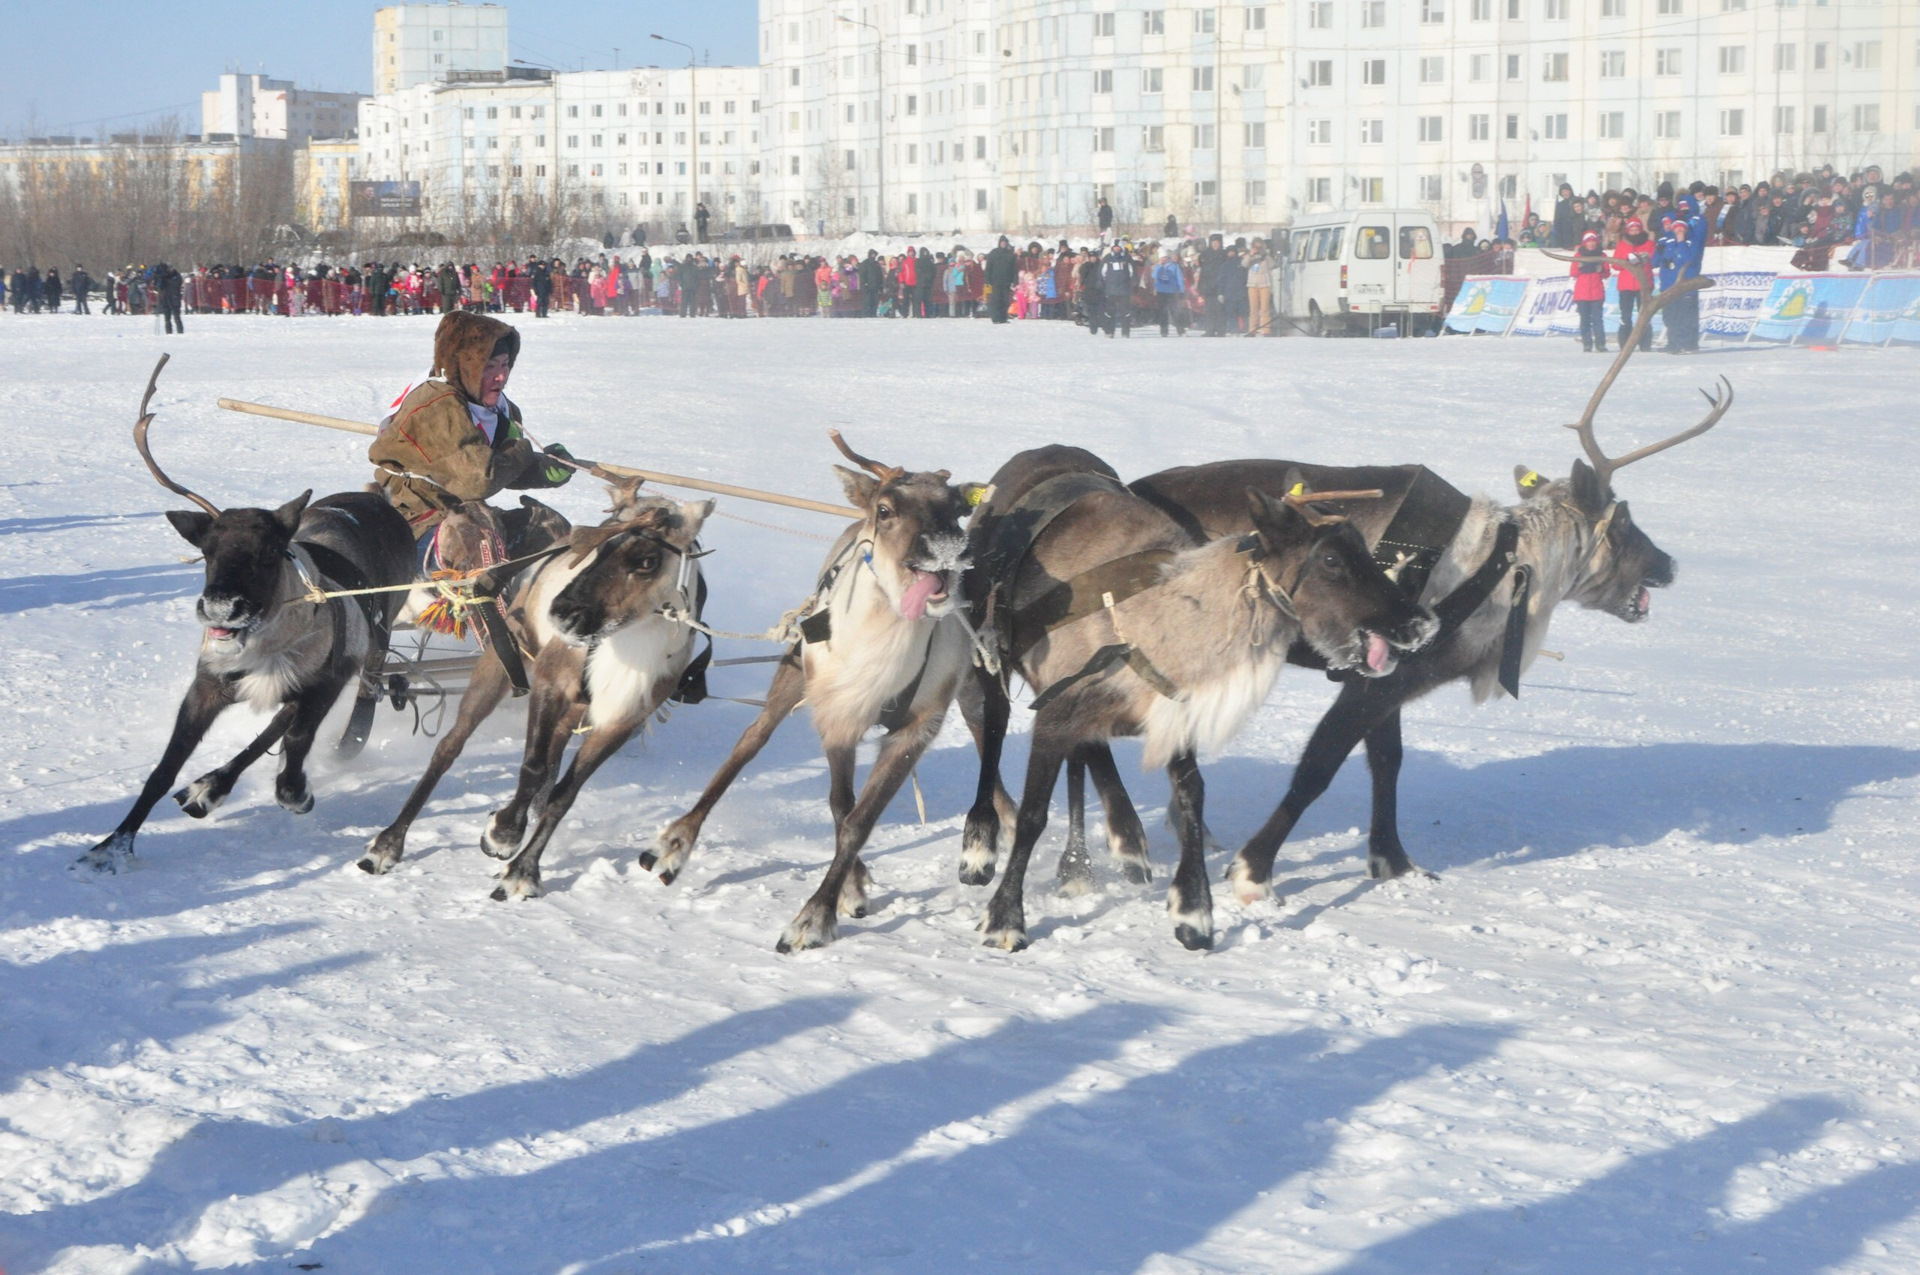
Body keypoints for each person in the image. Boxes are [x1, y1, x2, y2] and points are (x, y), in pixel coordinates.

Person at [1655, 220, 1699, 354]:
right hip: (1668, 286)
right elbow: (1655, 262)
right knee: (1669, 316)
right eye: (1677, 229)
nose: (1679, 232)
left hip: (1683, 286)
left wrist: (1681, 242)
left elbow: (1688, 260)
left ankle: (1684, 344)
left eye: (1681, 229)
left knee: (1683, 317)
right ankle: (1672, 343)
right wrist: (1658, 251)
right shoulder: (1667, 243)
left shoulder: (1690, 243)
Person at [1612, 217, 1654, 350]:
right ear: (1628, 231)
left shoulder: (1649, 243)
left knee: (1645, 316)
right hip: (1626, 286)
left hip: (1644, 284)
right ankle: (1625, 344)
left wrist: (1641, 258)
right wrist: (1626, 261)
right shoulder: (1622, 245)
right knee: (1626, 316)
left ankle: (1645, 345)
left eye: (1637, 229)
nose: (1635, 232)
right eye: (1632, 229)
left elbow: (1652, 258)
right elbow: (1615, 265)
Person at [1569, 231, 1611, 353]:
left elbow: (1607, 273)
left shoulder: (1602, 255)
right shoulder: (1578, 255)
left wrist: (1601, 270)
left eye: (1593, 241)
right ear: (1585, 243)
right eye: (1589, 242)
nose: (1591, 244)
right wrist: (1579, 267)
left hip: (1597, 293)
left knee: (1598, 320)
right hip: (1582, 293)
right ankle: (1587, 344)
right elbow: (1573, 273)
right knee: (1585, 320)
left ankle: (1600, 344)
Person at [1150, 247, 1188, 336]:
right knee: (1162, 312)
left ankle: (1181, 330)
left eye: (1165, 258)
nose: (1164, 259)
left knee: (1175, 311)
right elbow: (1154, 276)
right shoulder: (1157, 267)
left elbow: (1179, 279)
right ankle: (1164, 331)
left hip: (1172, 292)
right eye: (1162, 258)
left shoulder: (1174, 266)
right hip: (1161, 292)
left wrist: (1182, 290)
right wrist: (1159, 266)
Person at [983, 235, 1018, 324]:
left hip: (1006, 282)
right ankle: (996, 318)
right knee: (996, 300)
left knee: (1005, 301)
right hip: (995, 281)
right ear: (999, 243)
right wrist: (987, 280)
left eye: (1005, 242)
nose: (1003, 244)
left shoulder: (1010, 254)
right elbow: (988, 267)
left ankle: (1003, 318)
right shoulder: (993, 253)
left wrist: (1015, 280)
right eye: (1002, 242)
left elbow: (1014, 269)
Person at [1244, 240, 1273, 337]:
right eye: (1255, 247)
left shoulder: (1266, 256)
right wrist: (1250, 255)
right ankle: (1252, 330)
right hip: (1252, 285)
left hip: (1264, 284)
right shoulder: (1250, 256)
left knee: (1265, 309)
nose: (1257, 249)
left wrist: (1265, 255)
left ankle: (1266, 330)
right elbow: (1244, 264)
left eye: (1259, 247)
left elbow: (1273, 264)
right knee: (1253, 309)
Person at [155, 262, 184, 334]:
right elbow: (157, 287)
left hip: (175, 298)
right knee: (167, 319)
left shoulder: (176, 275)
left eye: (170, 268)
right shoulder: (163, 277)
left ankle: (180, 332)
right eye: (168, 268)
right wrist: (159, 278)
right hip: (165, 299)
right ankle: (168, 332)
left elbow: (176, 284)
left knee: (177, 318)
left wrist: (166, 278)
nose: (169, 269)